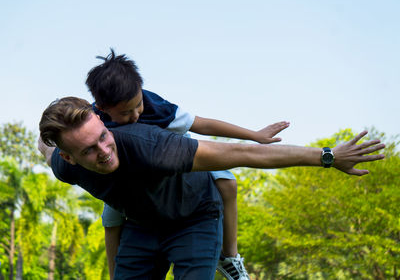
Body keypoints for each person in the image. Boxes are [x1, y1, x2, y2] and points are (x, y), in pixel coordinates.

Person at [39, 96, 385, 279]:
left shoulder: (153, 146)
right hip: (142, 226)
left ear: (104, 122)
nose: (104, 151)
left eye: (103, 136)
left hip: (193, 218)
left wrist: (327, 156)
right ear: (68, 157)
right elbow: (45, 147)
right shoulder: (64, 166)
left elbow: (244, 153)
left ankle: (229, 258)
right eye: (88, 150)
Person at [86, 49, 289, 280]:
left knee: (227, 184)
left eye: (138, 105)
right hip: (128, 181)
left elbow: (201, 124)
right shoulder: (92, 121)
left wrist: (254, 135)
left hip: (178, 159)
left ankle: (230, 256)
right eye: (126, 112)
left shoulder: (155, 106)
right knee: (111, 218)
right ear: (102, 109)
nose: (135, 115)